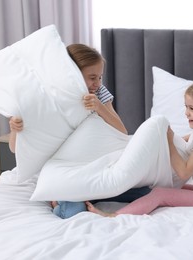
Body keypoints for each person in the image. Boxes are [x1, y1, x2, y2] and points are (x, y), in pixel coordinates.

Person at [8, 43, 150, 218]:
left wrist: (100, 107)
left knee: (145, 192)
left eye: (100, 77)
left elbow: (121, 130)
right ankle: (65, 198)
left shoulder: (99, 93)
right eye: (92, 78)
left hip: (94, 167)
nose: (97, 83)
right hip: (67, 171)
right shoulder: (45, 99)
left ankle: (88, 194)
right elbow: (15, 149)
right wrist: (15, 129)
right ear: (72, 73)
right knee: (72, 212)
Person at [86, 78, 193, 217]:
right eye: (186, 107)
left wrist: (169, 143)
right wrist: (163, 139)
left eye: (192, 109)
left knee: (160, 194)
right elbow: (184, 140)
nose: (186, 113)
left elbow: (184, 172)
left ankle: (115, 215)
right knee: (160, 189)